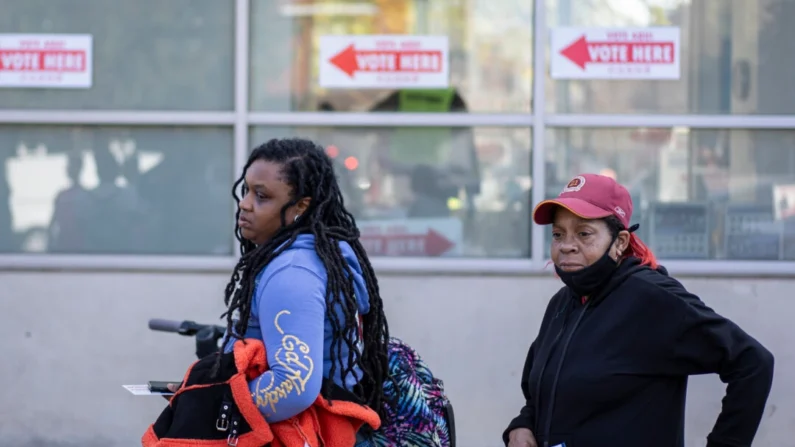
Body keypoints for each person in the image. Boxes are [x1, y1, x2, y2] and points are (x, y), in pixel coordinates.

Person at [504, 174, 774, 447]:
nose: (566, 245)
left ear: (620, 242)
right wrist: (524, 423)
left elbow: (753, 363)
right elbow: (542, 389)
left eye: (584, 233)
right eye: (558, 234)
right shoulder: (563, 303)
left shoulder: (651, 298)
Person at [218, 138, 390, 436]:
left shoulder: (293, 272)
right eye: (246, 190)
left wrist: (211, 405)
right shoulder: (318, 255)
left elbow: (293, 386)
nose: (244, 203)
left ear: (301, 206)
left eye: (262, 196)